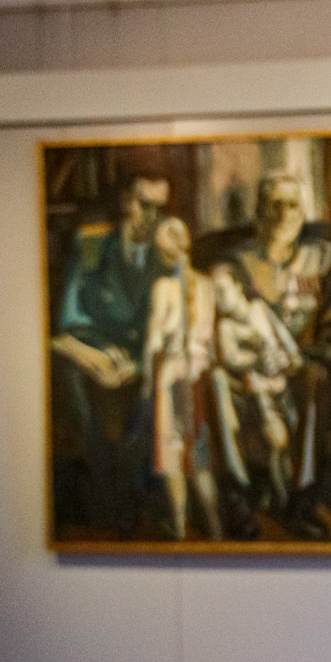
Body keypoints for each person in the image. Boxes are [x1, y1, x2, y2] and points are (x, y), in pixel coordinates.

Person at [209, 170, 331, 540]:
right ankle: (235, 494)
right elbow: (218, 328)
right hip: (248, 372)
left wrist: (303, 357)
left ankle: (303, 499)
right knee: (216, 380)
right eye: (275, 205)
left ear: (303, 214)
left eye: (293, 206)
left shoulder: (322, 261)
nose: (284, 214)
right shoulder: (234, 265)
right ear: (259, 213)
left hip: (300, 366)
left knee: (317, 379)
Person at [51, 174, 168, 532]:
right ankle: (104, 488)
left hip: (147, 358)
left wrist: (141, 361)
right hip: (100, 353)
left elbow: (177, 324)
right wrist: (100, 350)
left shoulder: (167, 253)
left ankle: (133, 493)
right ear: (125, 202)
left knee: (162, 382)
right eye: (145, 205)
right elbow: (71, 319)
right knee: (68, 373)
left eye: (160, 209)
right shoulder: (93, 247)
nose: (153, 218)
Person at [141, 216, 222, 542]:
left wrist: (147, 383)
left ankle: (178, 526)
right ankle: (214, 526)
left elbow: (153, 341)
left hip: (172, 373)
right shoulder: (207, 285)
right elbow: (211, 342)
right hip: (199, 373)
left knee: (172, 454)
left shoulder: (163, 288)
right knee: (200, 455)